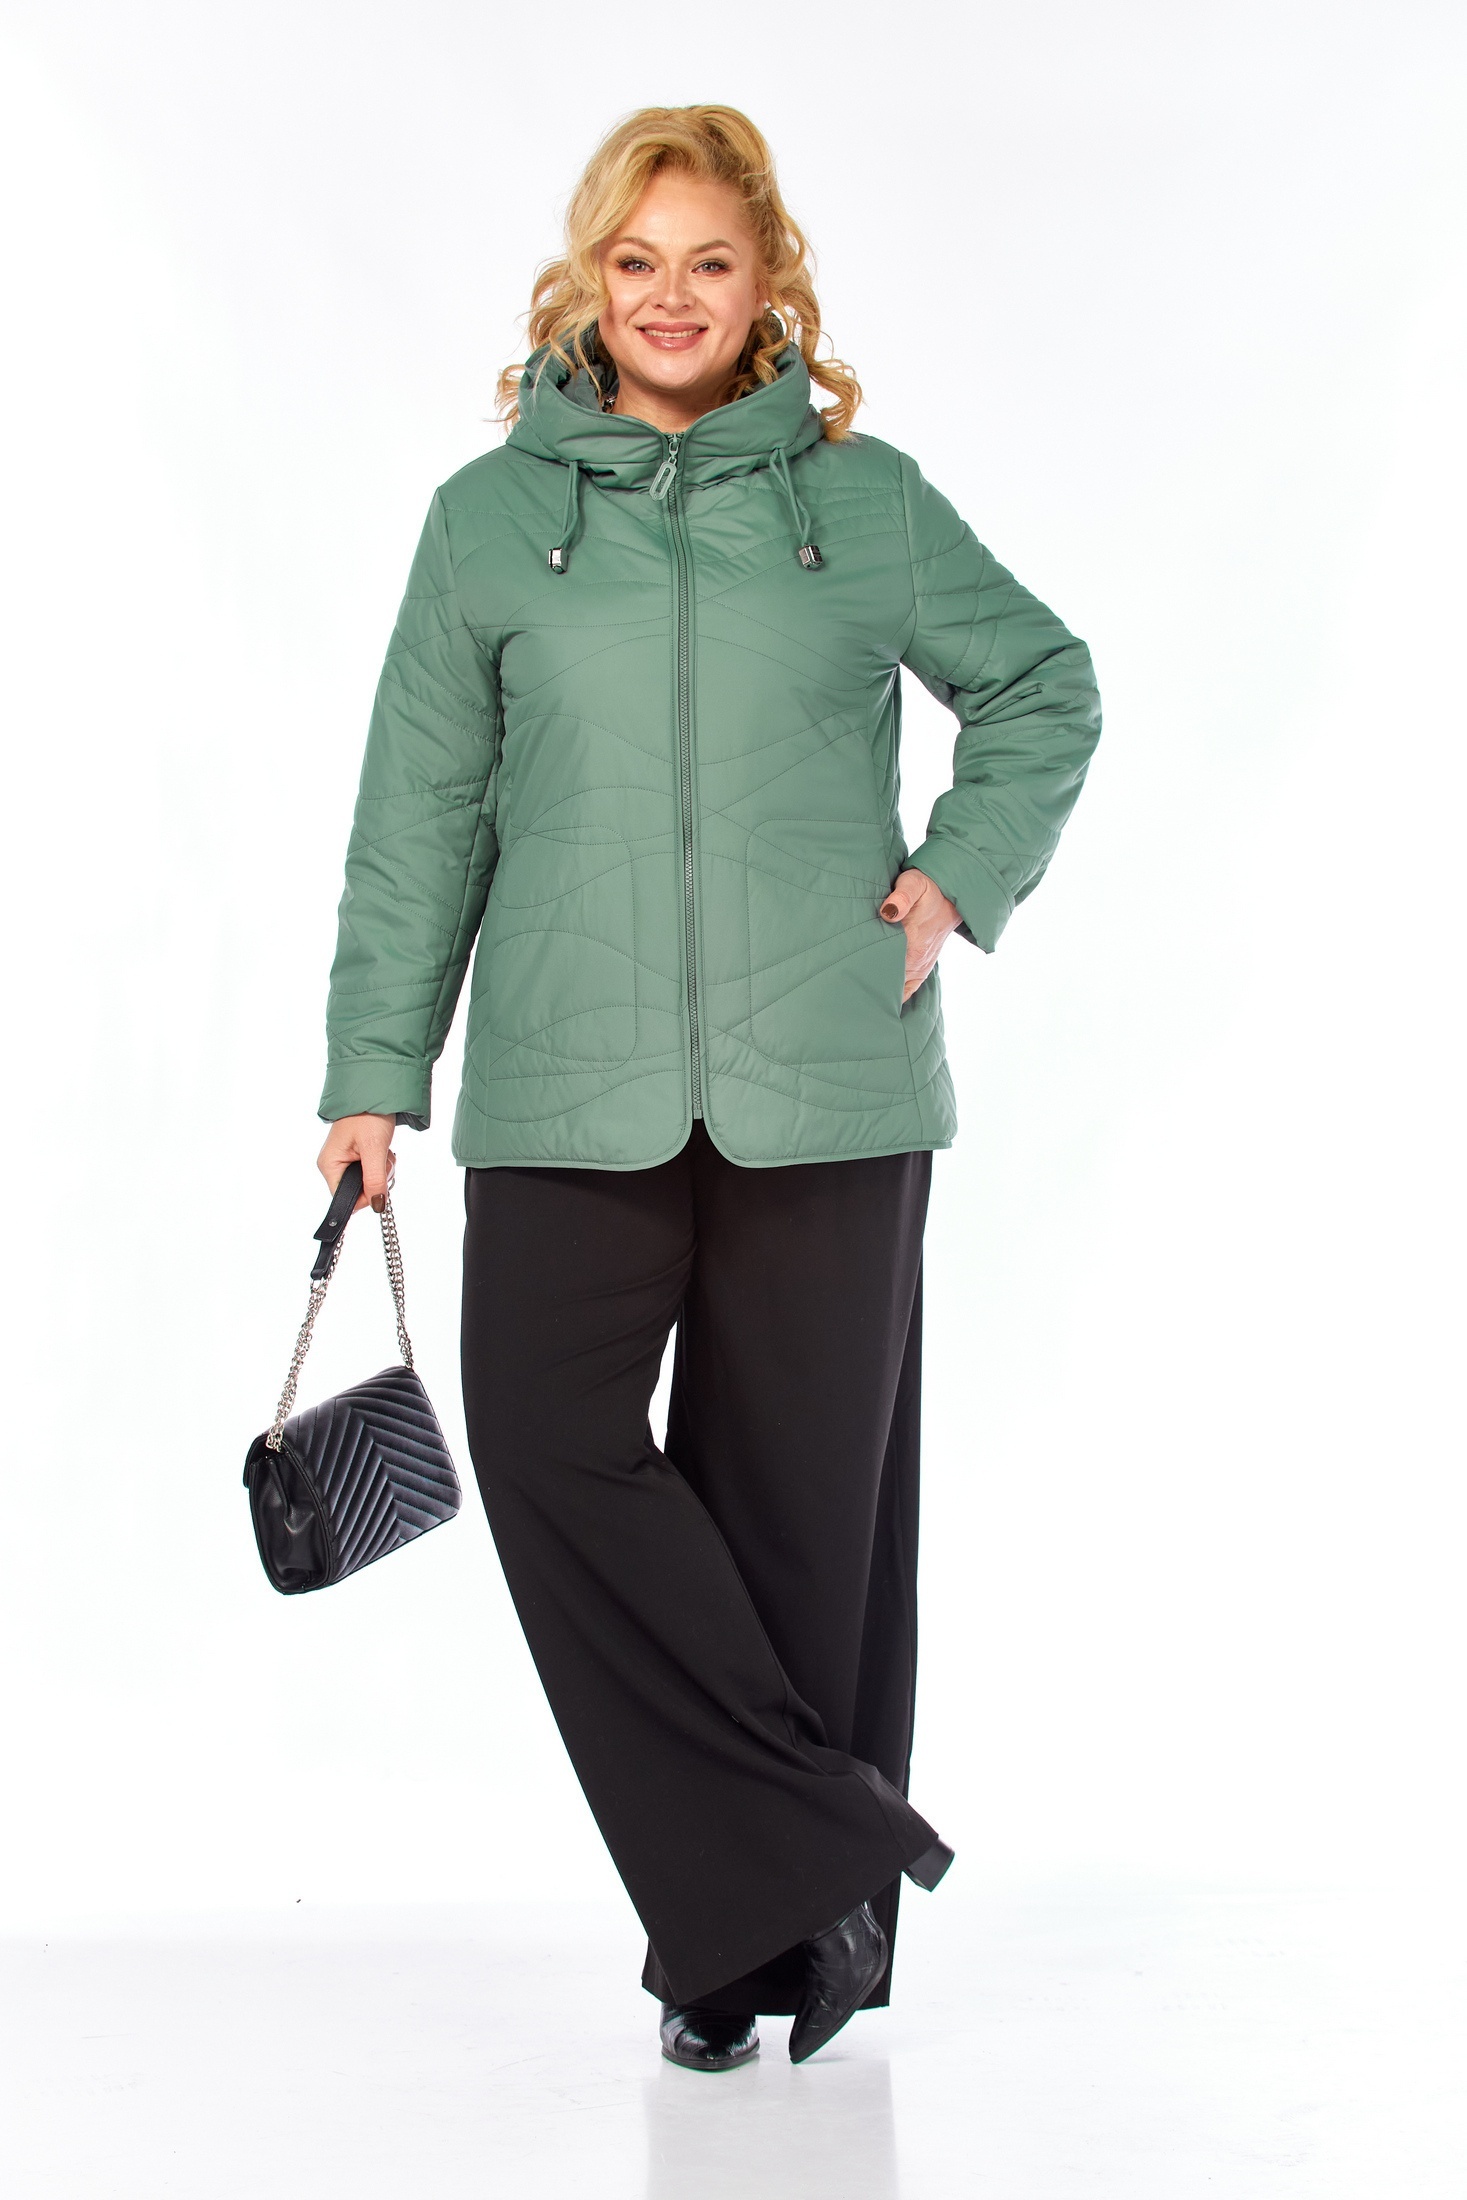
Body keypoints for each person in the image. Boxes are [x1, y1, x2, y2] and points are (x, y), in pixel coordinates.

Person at [315, 104, 1100, 2072]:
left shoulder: (865, 503)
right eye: (638, 261)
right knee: (546, 1435)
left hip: (827, 1077)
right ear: (589, 279)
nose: (671, 299)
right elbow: (420, 817)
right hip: (567, 1080)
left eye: (711, 264)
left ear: (769, 287)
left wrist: (956, 875)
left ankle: (744, 1956)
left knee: (794, 1515)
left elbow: (1042, 681)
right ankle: (819, 1855)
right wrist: (373, 1070)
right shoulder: (486, 523)